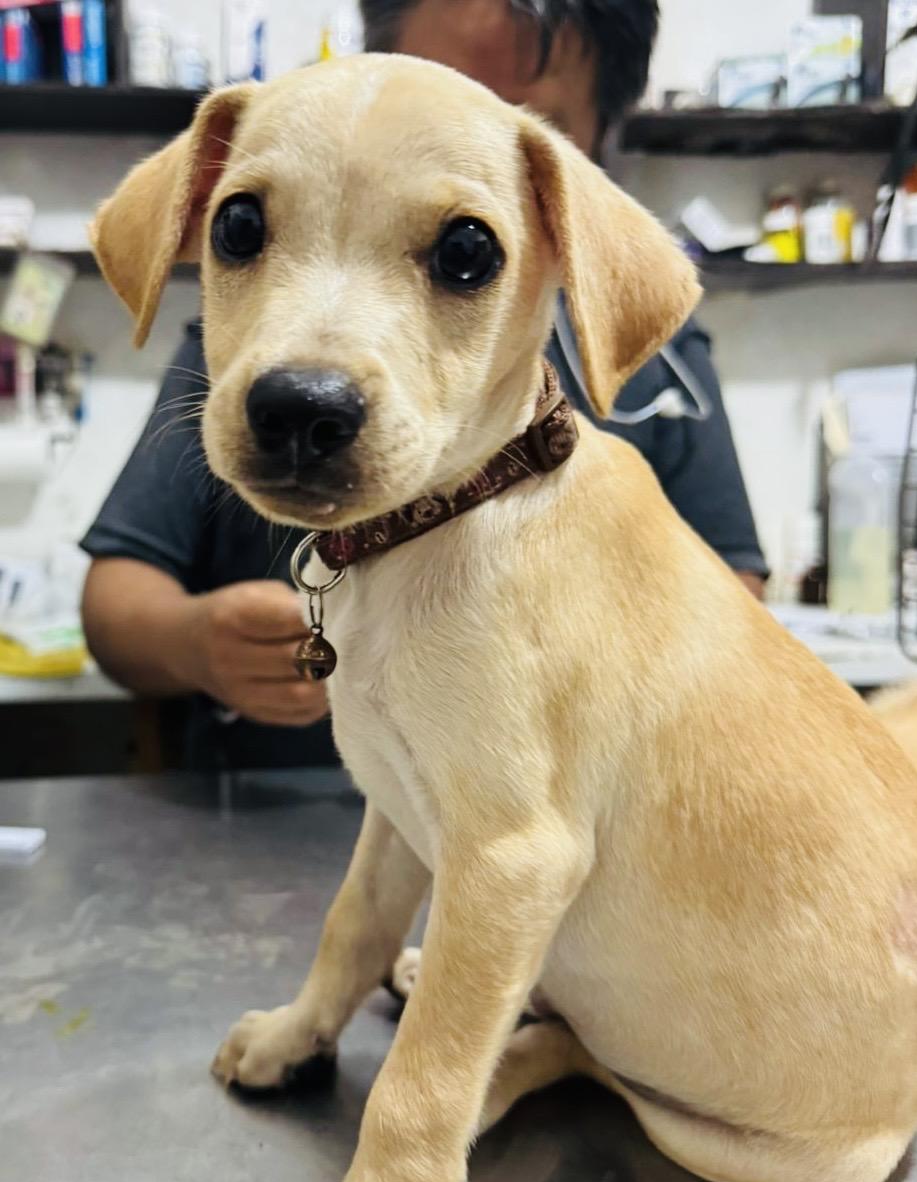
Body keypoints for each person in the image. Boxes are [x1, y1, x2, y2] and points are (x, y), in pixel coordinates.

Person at [81, 0, 768, 771]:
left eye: (462, 250)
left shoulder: (662, 368)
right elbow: (114, 597)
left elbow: (733, 604)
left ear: (596, 144)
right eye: (242, 230)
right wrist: (194, 641)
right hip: (269, 795)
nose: (447, 119)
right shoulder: (241, 354)